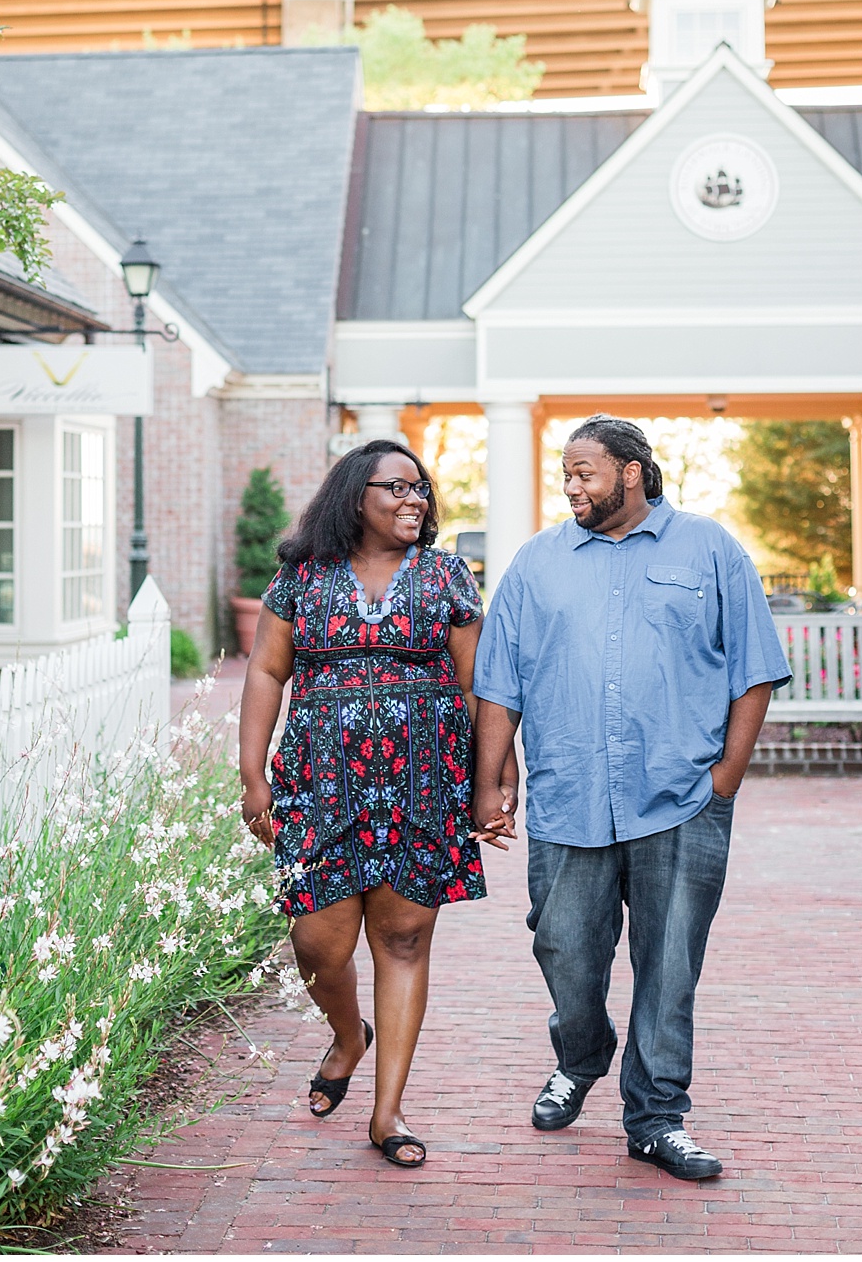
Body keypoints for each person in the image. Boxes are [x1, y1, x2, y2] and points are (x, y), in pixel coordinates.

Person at [471, 414, 790, 1181]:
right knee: (565, 948)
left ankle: (655, 1117)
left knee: (669, 964)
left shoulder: (710, 549)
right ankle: (581, 1054)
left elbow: (754, 669)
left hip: (681, 797)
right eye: (566, 472)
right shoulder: (537, 563)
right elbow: (498, 684)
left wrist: (725, 780)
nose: (571, 485)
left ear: (632, 472)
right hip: (568, 795)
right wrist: (491, 781)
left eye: (585, 471)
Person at [239, 437, 516, 1166]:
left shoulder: (445, 575)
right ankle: (345, 1033)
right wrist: (253, 773)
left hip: (422, 788)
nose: (413, 499)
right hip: (320, 785)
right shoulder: (302, 576)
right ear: (354, 495)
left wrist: (491, 779)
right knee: (317, 945)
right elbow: (269, 670)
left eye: (420, 488)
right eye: (396, 487)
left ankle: (387, 1112)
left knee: (402, 940)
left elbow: (476, 683)